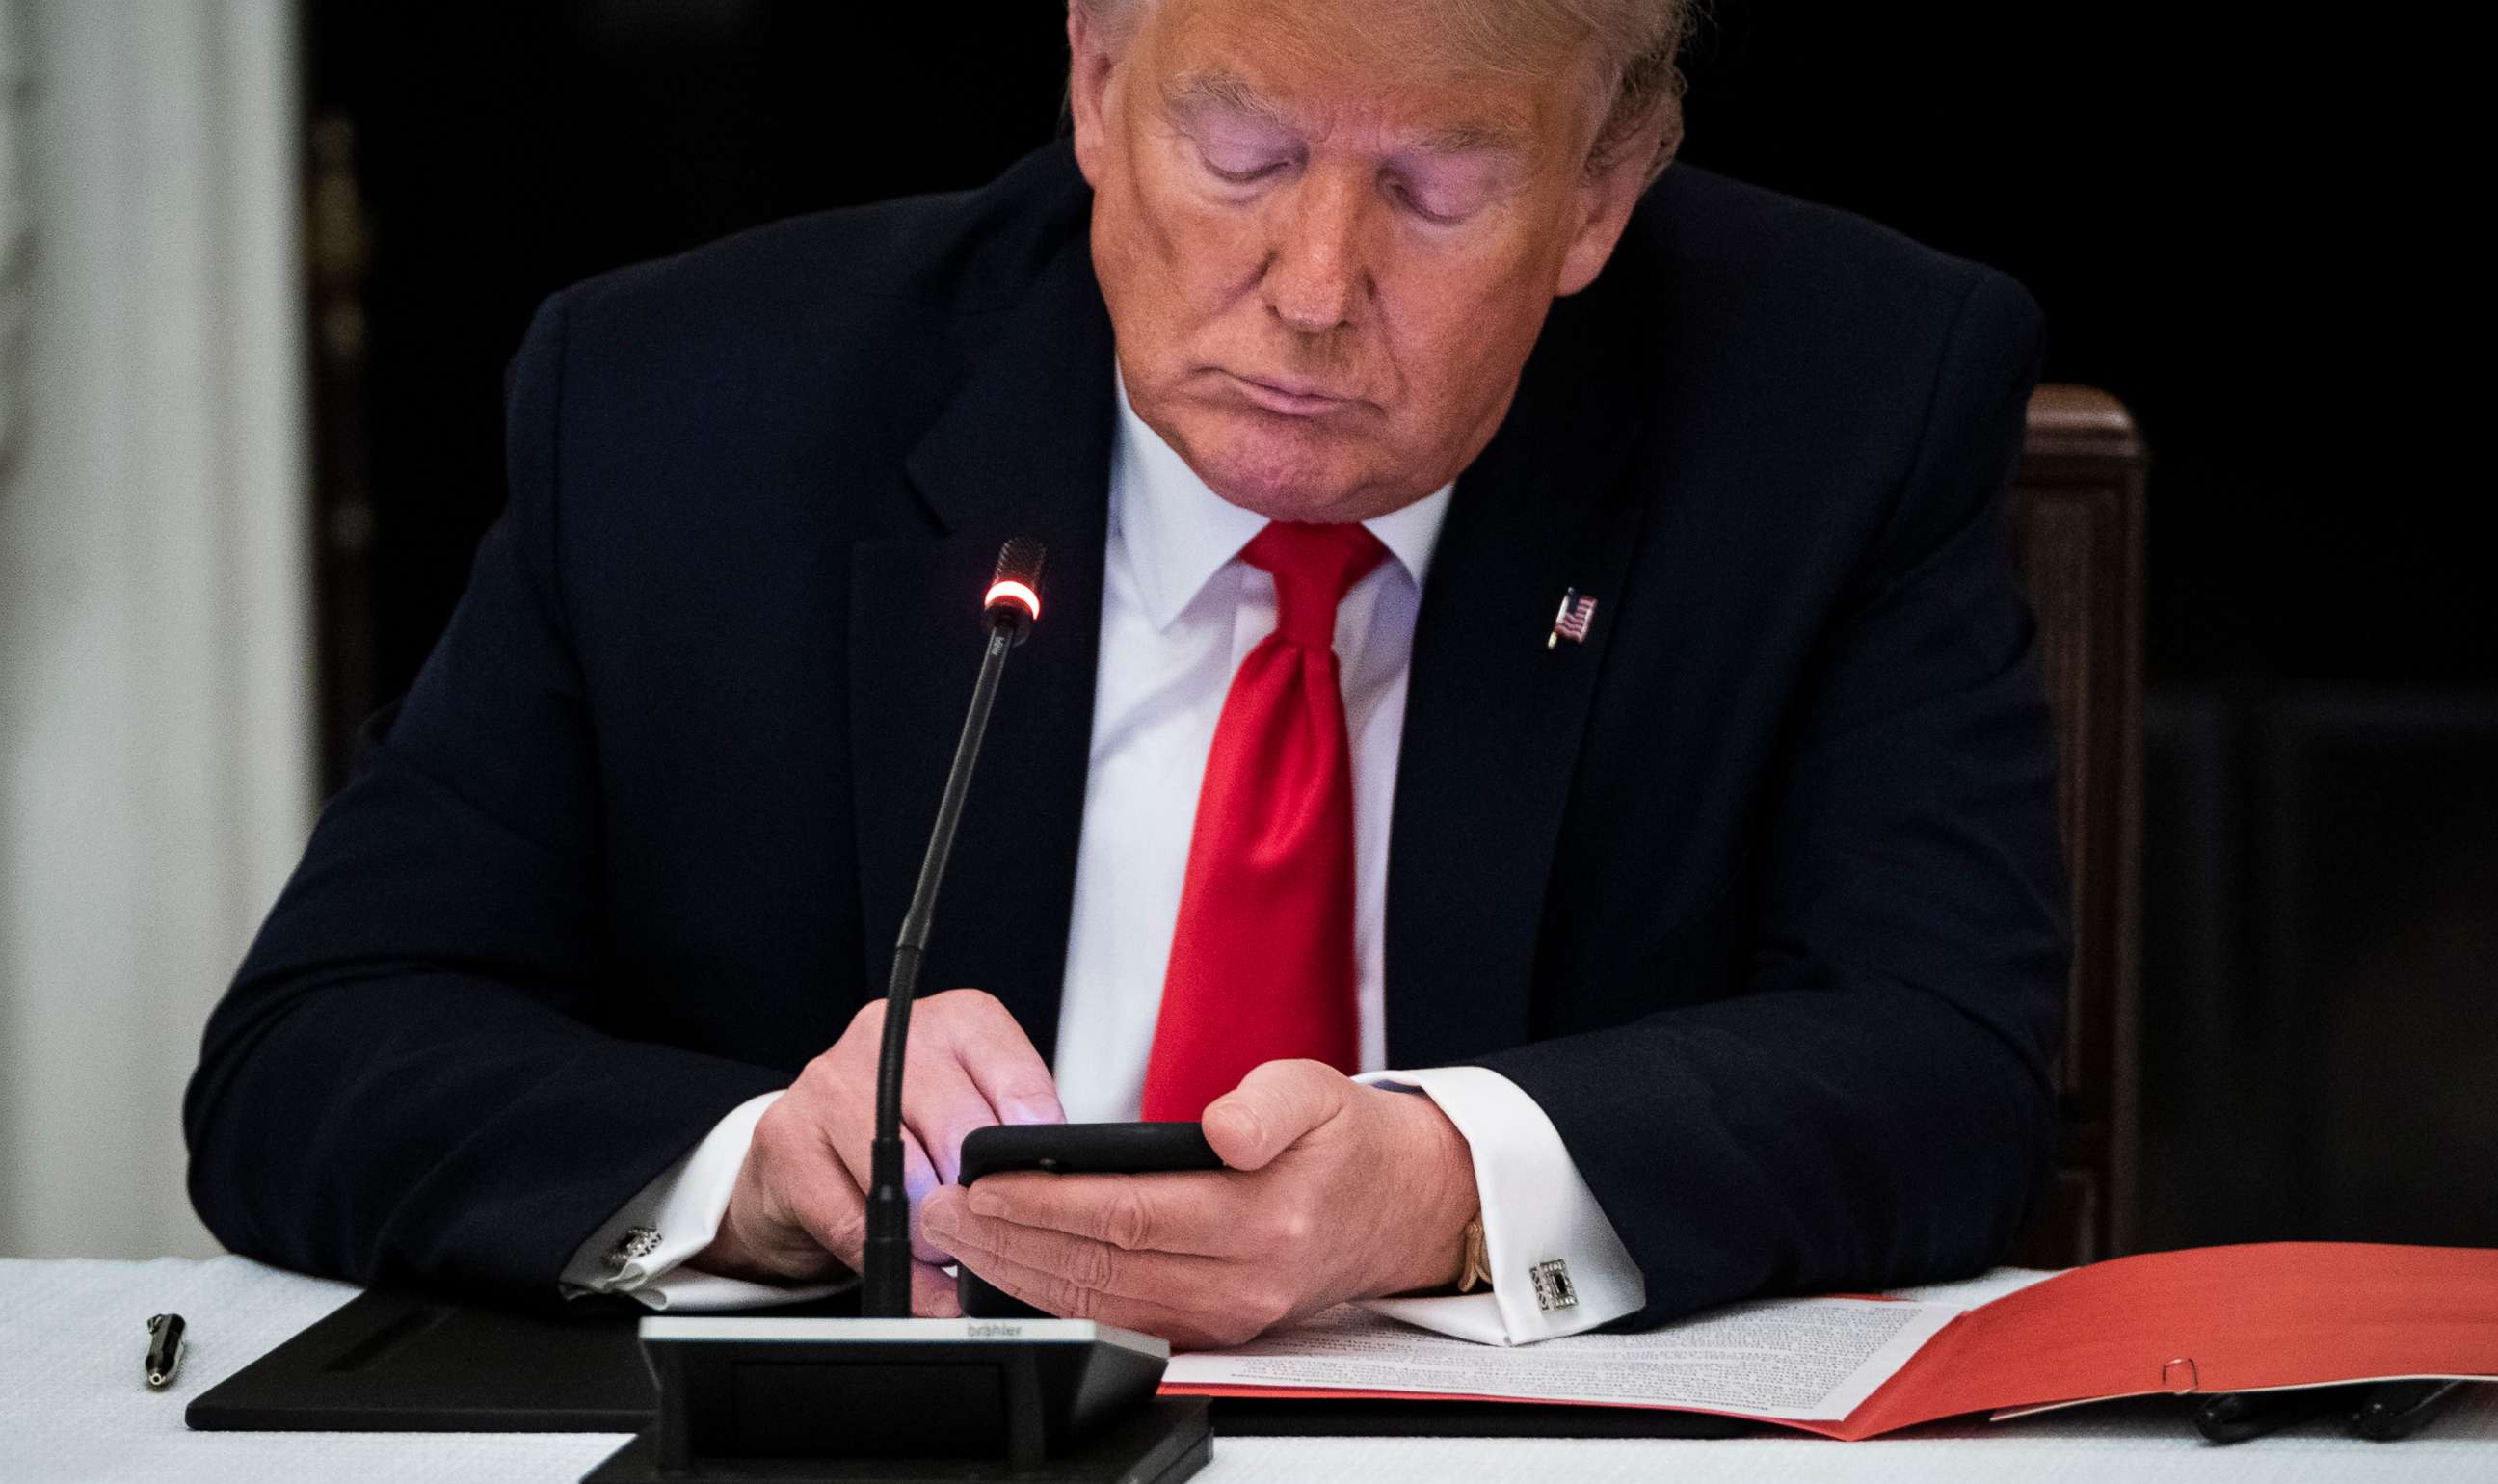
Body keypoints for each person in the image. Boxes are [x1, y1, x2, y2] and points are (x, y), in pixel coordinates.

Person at [185, 0, 2067, 1351]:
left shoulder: (1843, 407)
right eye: (1239, 153)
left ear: (1601, 192)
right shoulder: (693, 413)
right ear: (1096, 83)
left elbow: (1951, 1070)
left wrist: (1435, 1185)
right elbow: (315, 1056)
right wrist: (759, 1170)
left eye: (1433, 190)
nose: (1314, 283)